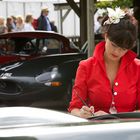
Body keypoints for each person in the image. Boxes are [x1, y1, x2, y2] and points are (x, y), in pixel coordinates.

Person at [68, 7, 140, 118]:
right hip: (98, 131)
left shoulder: (137, 68)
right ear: (106, 36)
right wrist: (83, 114)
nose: (117, 52)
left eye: (123, 49)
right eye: (114, 45)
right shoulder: (86, 67)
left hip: (129, 131)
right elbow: (74, 108)